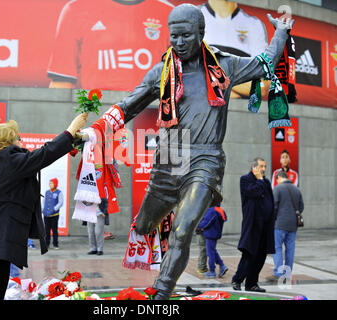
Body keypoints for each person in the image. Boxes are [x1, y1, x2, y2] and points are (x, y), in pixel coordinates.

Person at [84, 4, 293, 299]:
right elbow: (130, 104)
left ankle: (161, 292)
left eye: (185, 36)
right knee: (144, 226)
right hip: (171, 154)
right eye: (174, 36)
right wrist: (96, 129)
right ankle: (157, 230)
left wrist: (281, 32)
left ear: (201, 33)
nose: (179, 43)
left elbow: (265, 62)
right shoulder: (162, 72)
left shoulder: (224, 67)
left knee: (183, 230)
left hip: (206, 157)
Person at [0, 113, 88, 300]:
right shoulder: (9, 161)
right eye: (17, 137)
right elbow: (44, 154)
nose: (21, 140)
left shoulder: (0, 163)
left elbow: (37, 158)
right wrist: (69, 132)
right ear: (6, 142)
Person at [47, 0, 174, 90]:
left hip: (149, 120)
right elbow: (61, 83)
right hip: (95, 118)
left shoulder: (170, 13)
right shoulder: (76, 9)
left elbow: (183, 85)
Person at [199, 0, 270, 99]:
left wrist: (215, 81)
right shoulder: (192, 17)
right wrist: (237, 88)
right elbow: (189, 78)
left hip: (240, 112)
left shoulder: (255, 25)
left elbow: (262, 87)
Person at [231, 157, 275, 292]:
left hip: (265, 227)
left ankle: (251, 284)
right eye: (261, 166)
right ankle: (237, 280)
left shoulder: (266, 182)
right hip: (252, 226)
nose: (263, 169)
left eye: (265, 166)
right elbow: (253, 192)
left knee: (261, 256)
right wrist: (260, 180)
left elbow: (270, 201)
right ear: (254, 167)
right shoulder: (245, 180)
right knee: (249, 255)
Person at [269, 170, 304, 281]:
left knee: (277, 248)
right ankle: (287, 274)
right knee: (290, 249)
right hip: (293, 225)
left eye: (276, 179)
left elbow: (273, 207)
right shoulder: (296, 189)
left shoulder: (278, 189)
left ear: (279, 178)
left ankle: (279, 274)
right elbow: (301, 207)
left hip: (279, 224)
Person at [198, 206, 228, 278]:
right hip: (216, 233)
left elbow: (207, 221)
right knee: (213, 251)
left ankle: (212, 271)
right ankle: (222, 265)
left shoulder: (211, 210)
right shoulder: (220, 209)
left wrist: (199, 226)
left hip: (210, 234)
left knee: (210, 253)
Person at [42, 178, 64, 250]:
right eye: (50, 183)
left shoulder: (59, 192)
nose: (50, 185)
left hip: (54, 215)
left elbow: (60, 203)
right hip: (46, 215)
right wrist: (43, 209)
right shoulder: (47, 192)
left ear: (55, 184)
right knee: (46, 230)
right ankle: (46, 244)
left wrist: (54, 209)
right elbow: (44, 201)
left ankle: (55, 244)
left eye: (51, 183)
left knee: (54, 230)